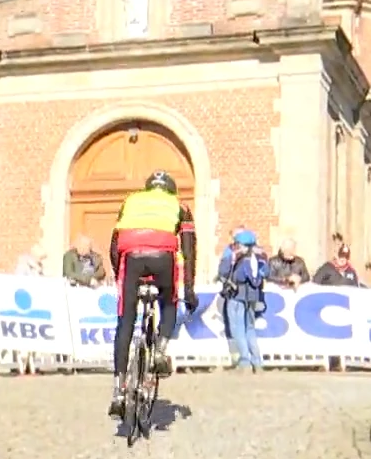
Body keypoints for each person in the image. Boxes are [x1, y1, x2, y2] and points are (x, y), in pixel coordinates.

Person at [107, 170, 197, 416]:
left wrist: (120, 277)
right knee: (169, 303)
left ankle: (119, 390)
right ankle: (159, 351)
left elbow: (114, 244)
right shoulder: (180, 206)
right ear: (170, 189)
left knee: (125, 321)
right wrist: (189, 289)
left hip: (131, 256)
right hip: (162, 256)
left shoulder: (130, 201)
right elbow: (188, 251)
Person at [218, 228, 268, 372]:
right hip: (252, 296)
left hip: (236, 295)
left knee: (237, 329)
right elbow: (266, 272)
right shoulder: (260, 258)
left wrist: (231, 259)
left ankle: (245, 361)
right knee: (250, 329)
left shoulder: (236, 258)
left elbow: (225, 272)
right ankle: (257, 362)